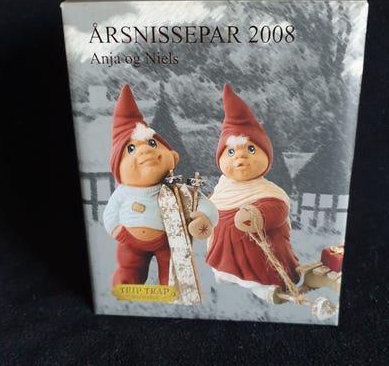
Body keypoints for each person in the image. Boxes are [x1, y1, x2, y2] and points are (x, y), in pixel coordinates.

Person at [104, 84, 218, 286]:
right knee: (129, 266)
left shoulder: (175, 187)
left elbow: (202, 203)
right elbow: (110, 213)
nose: (145, 151)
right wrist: (116, 230)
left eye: (152, 143)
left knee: (171, 267)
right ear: (117, 169)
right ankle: (128, 281)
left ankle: (171, 283)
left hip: (168, 239)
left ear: (173, 157)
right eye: (131, 149)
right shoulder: (123, 193)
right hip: (130, 241)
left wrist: (204, 217)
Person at [206, 84, 301, 304]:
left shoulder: (269, 192)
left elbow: (278, 210)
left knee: (261, 274)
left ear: (266, 156)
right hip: (225, 254)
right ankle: (227, 274)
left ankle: (265, 290)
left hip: (258, 257)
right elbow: (209, 207)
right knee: (223, 271)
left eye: (250, 149)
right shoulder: (222, 190)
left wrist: (257, 216)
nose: (240, 158)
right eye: (231, 152)